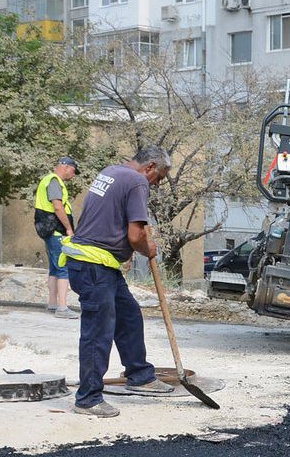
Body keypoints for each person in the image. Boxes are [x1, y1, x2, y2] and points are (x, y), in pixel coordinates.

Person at [59, 147, 175, 417]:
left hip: (99, 264)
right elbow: (135, 236)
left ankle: (140, 376)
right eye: (158, 178)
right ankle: (88, 399)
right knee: (98, 332)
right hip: (93, 265)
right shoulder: (137, 181)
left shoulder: (112, 171)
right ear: (151, 167)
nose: (156, 185)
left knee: (129, 316)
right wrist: (149, 249)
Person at [35, 157, 80, 319]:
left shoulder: (48, 180)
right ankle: (62, 307)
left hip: (49, 231)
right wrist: (69, 229)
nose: (73, 175)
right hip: (56, 231)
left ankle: (53, 303)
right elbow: (58, 207)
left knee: (54, 268)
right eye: (73, 171)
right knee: (63, 268)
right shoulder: (54, 181)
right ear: (65, 167)